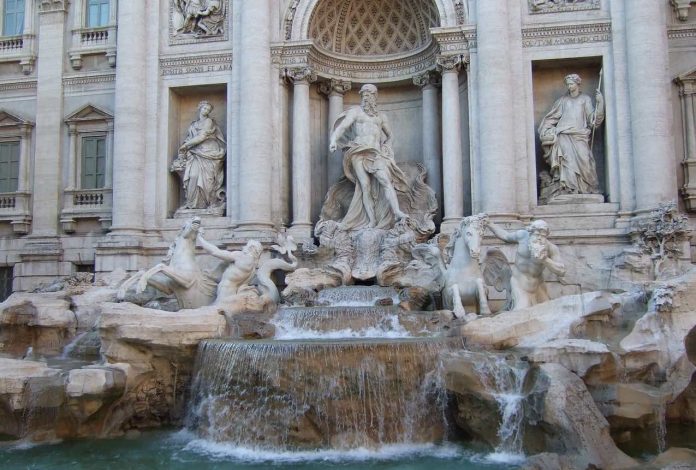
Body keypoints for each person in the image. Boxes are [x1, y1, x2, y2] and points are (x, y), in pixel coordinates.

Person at [328, 84, 409, 230]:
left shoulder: (381, 117)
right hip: (358, 151)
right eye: (363, 95)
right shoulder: (356, 112)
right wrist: (334, 140)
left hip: (376, 153)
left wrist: (387, 147)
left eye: (369, 95)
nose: (366, 97)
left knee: (385, 180)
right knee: (365, 186)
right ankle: (371, 221)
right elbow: (342, 127)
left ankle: (397, 211)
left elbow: (390, 136)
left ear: (374, 97)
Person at [538, 73, 604, 196]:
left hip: (580, 136)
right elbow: (551, 118)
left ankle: (586, 188)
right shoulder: (562, 101)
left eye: (571, 84)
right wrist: (546, 130)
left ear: (578, 84)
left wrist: (600, 104)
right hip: (563, 135)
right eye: (568, 84)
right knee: (566, 161)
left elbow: (593, 120)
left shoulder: (585, 99)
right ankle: (568, 189)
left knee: (585, 161)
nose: (569, 86)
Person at [486, 219, 566, 309]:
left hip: (538, 286)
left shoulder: (551, 248)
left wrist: (545, 259)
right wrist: (489, 223)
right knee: (522, 310)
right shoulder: (522, 236)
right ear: (530, 233)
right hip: (519, 284)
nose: (539, 238)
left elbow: (561, 271)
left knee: (548, 311)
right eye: (536, 234)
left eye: (542, 236)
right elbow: (505, 236)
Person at [174, 101, 226, 210]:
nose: (206, 111)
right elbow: (189, 138)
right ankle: (191, 203)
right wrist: (185, 146)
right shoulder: (194, 124)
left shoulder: (209, 122)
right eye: (204, 108)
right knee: (193, 176)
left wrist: (186, 145)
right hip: (195, 153)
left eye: (208, 110)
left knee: (208, 180)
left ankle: (208, 203)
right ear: (200, 108)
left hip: (209, 151)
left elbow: (202, 137)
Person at [197, 231, 262, 306]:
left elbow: (215, 252)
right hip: (231, 293)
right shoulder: (252, 267)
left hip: (225, 292)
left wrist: (200, 238)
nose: (243, 247)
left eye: (246, 246)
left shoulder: (241, 257)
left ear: (251, 248)